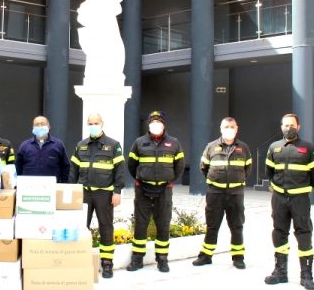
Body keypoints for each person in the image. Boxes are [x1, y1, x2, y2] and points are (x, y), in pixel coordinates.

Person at [263, 113, 314, 290]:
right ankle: (280, 272)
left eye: (292, 125)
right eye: (286, 125)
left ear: (299, 127)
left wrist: (302, 189)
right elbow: (269, 172)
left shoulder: (309, 148)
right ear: (281, 127)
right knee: (279, 232)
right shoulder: (274, 147)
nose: (289, 128)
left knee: (304, 233)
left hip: (300, 199)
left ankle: (306, 274)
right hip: (279, 198)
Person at [126, 110, 185, 273]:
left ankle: (162, 259)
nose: (155, 125)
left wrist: (170, 180)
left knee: (163, 224)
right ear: (148, 124)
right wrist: (139, 178)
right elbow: (131, 164)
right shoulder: (139, 142)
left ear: (164, 124)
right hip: (143, 189)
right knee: (141, 224)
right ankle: (137, 259)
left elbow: (179, 166)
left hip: (164, 190)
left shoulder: (174, 143)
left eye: (159, 122)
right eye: (152, 122)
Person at [69, 113, 127, 278]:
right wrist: (71, 191)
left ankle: (107, 263)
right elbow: (73, 170)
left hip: (104, 194)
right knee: (81, 227)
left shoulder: (113, 145)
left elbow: (120, 170)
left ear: (102, 123)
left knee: (106, 227)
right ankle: (80, 259)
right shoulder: (81, 145)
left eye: (96, 122)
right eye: (90, 123)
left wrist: (117, 191)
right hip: (84, 193)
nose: (93, 125)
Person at [192, 117, 252, 269]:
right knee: (212, 226)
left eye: (232, 126)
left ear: (237, 128)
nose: (229, 129)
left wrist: (235, 180)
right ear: (221, 128)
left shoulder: (243, 148)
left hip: (235, 194)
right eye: (226, 126)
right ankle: (206, 256)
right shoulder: (211, 147)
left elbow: (248, 169)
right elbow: (203, 167)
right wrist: (216, 181)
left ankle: (238, 258)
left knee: (237, 226)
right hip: (215, 193)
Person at [15, 115, 70, 183]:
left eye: (42, 124)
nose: (40, 126)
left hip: (52, 187)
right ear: (33, 128)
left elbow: (65, 167)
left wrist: (63, 184)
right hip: (29, 187)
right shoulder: (25, 145)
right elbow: (18, 167)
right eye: (37, 124)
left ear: (49, 126)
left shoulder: (58, 144)